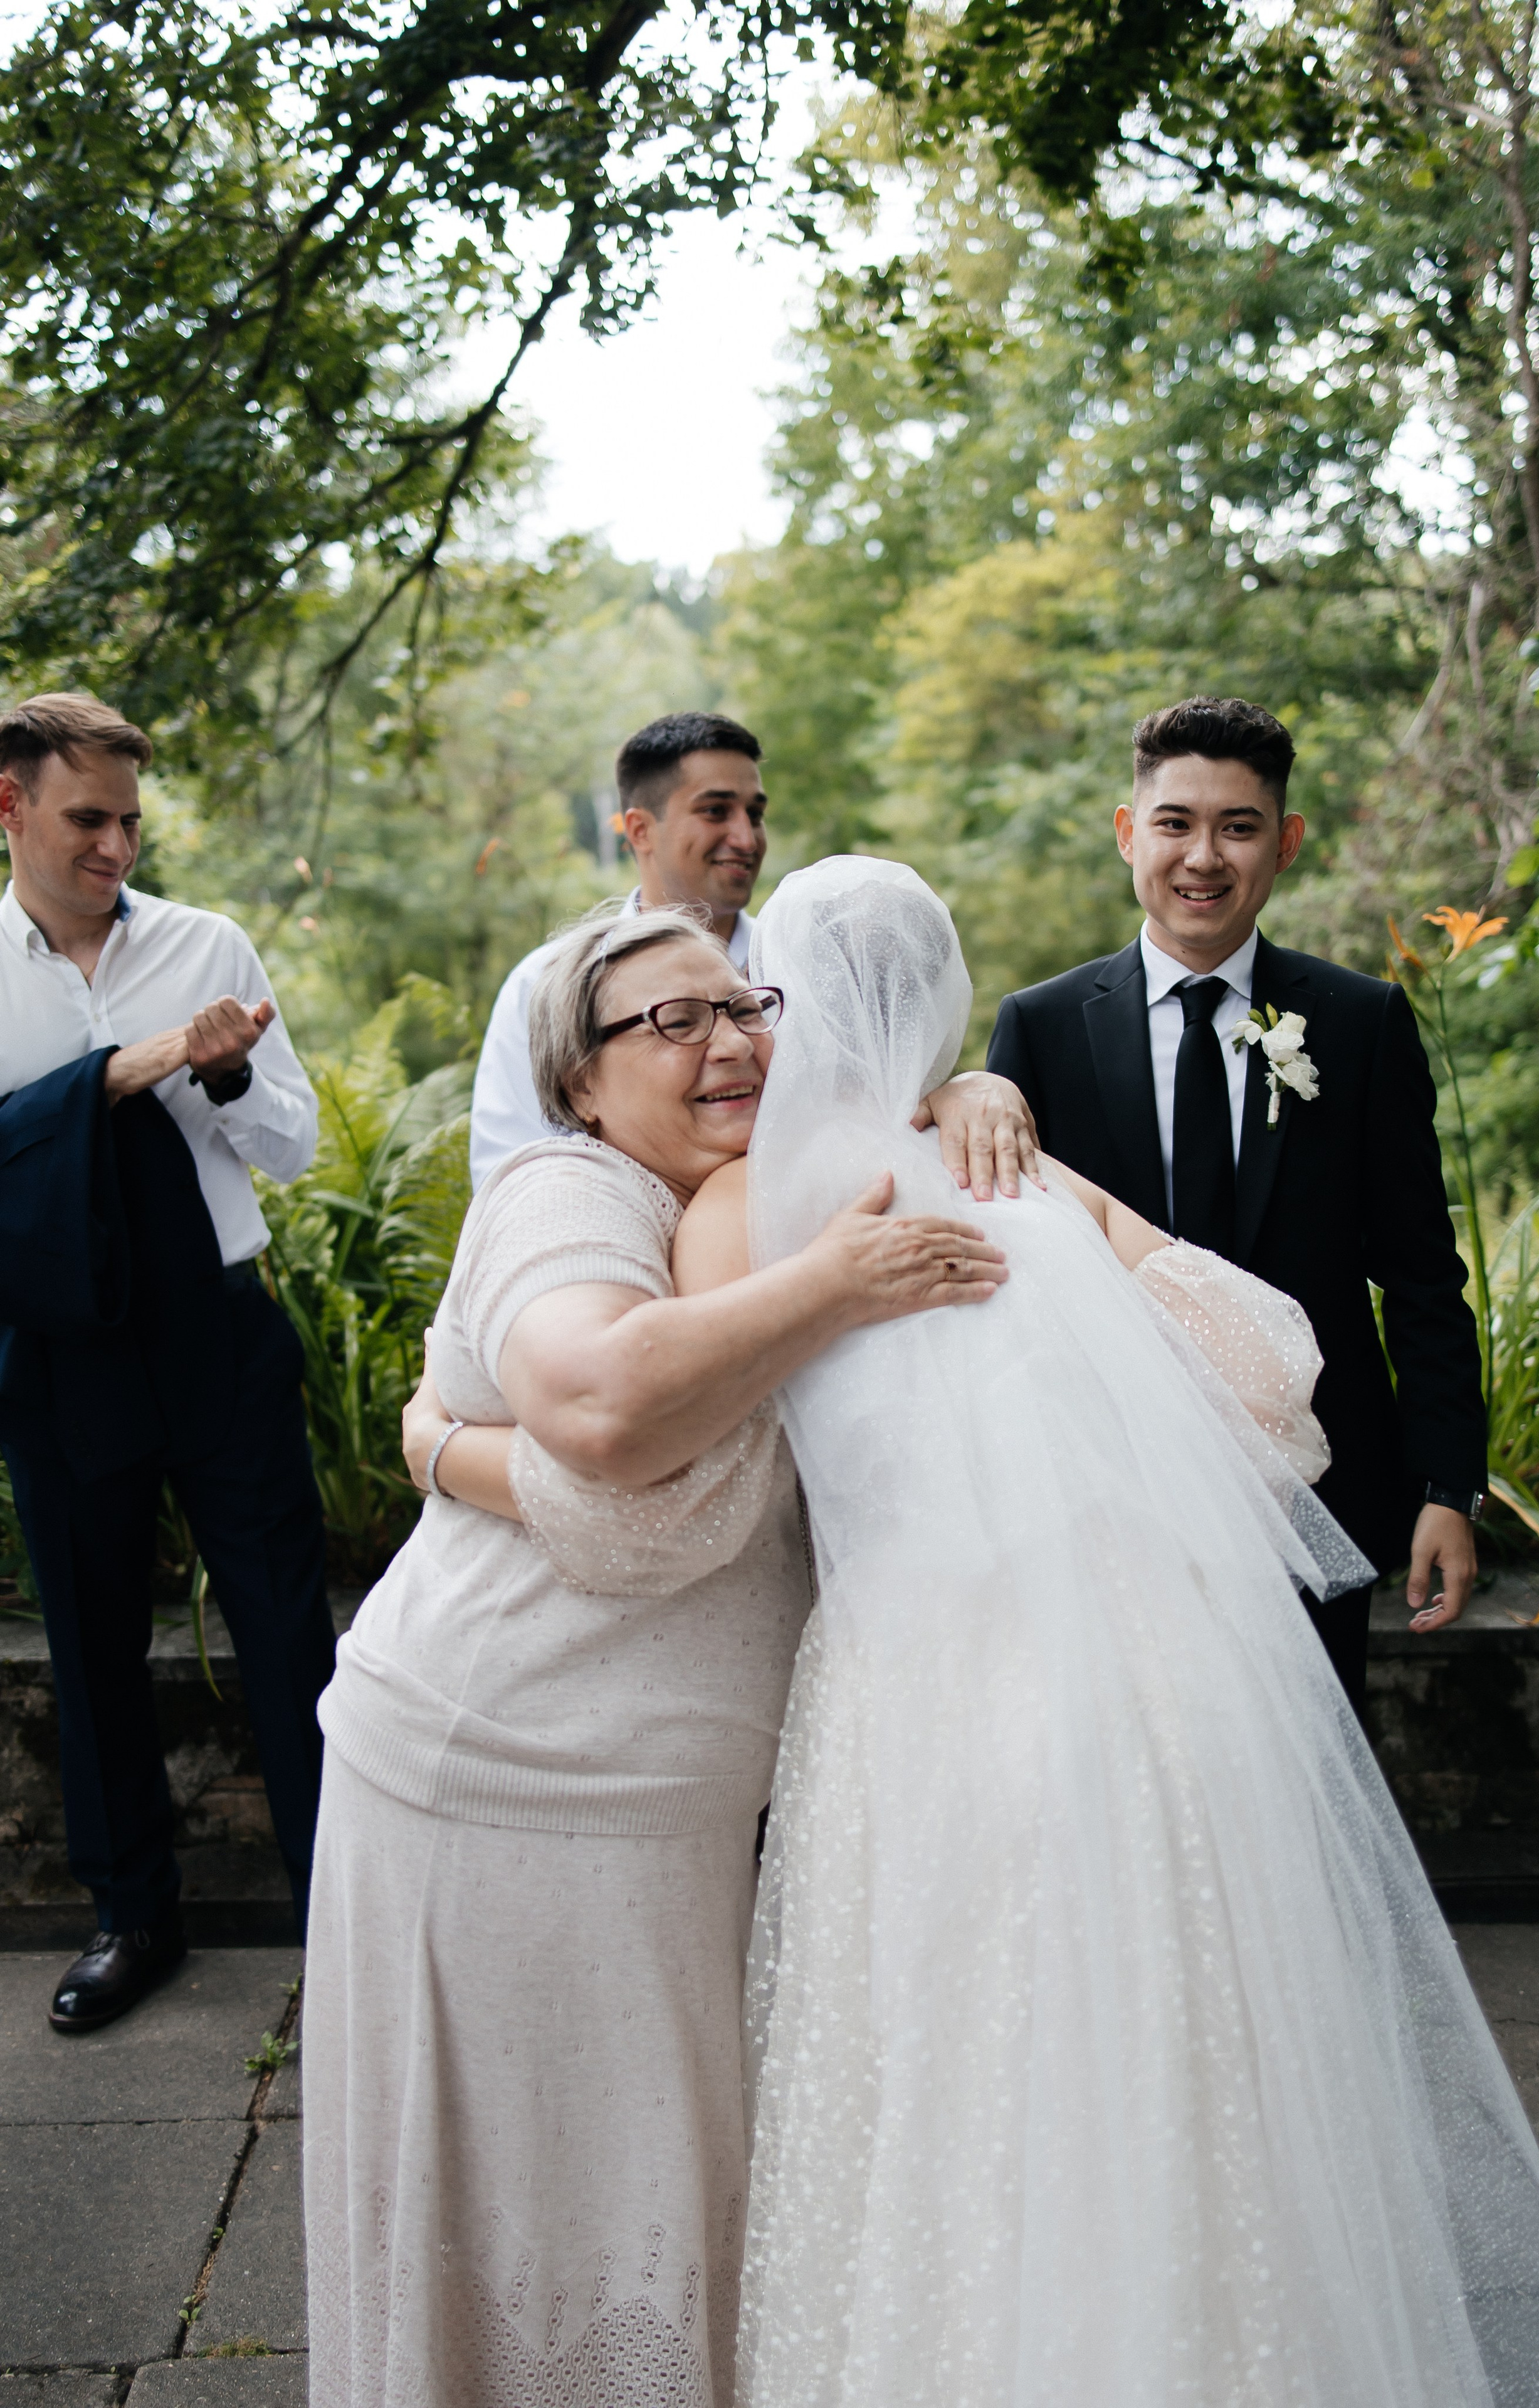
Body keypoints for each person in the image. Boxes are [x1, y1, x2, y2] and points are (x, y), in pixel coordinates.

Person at [703, 856, 1539, 2407]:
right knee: (1183, 2086)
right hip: (1155, 1675)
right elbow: (1271, 1369)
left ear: (781, 1002)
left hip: (925, 1685)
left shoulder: (740, 1208)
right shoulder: (1019, 1172)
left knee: (956, 2081)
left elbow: (698, 1449)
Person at [302, 901, 1005, 2408]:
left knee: (671, 2213)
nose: (727, 1041)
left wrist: (961, 1090)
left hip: (675, 1809)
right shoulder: (566, 1195)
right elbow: (615, 1421)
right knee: (532, 2231)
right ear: (577, 1081)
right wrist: (840, 1279)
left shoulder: (776, 1186)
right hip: (496, 1774)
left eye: (743, 1004)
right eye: (667, 1020)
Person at [986, 695, 1487, 1713]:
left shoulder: (1361, 1022)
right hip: (1108, 1492)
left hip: (1320, 1487)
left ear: (1287, 843)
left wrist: (1447, 1486)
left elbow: (1423, 1275)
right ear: (1131, 834)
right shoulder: (1038, 1030)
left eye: (1238, 826)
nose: (1202, 856)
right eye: (1175, 823)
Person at [0, 691, 335, 2032]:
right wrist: (122, 1070)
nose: (117, 847)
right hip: (59, 1349)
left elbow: (297, 1146)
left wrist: (222, 1076)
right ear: (10, 806)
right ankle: (131, 1917)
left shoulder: (208, 944)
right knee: (87, 1642)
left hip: (217, 1328)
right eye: (88, 818)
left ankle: (341, 1914)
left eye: (131, 820)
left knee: (286, 1632)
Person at [470, 708, 1041, 1201]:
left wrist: (964, 1089)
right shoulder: (543, 987)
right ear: (640, 830)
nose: (747, 837)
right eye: (716, 811)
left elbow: (881, 1098)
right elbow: (510, 1175)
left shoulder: (817, 968)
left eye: (756, 813)